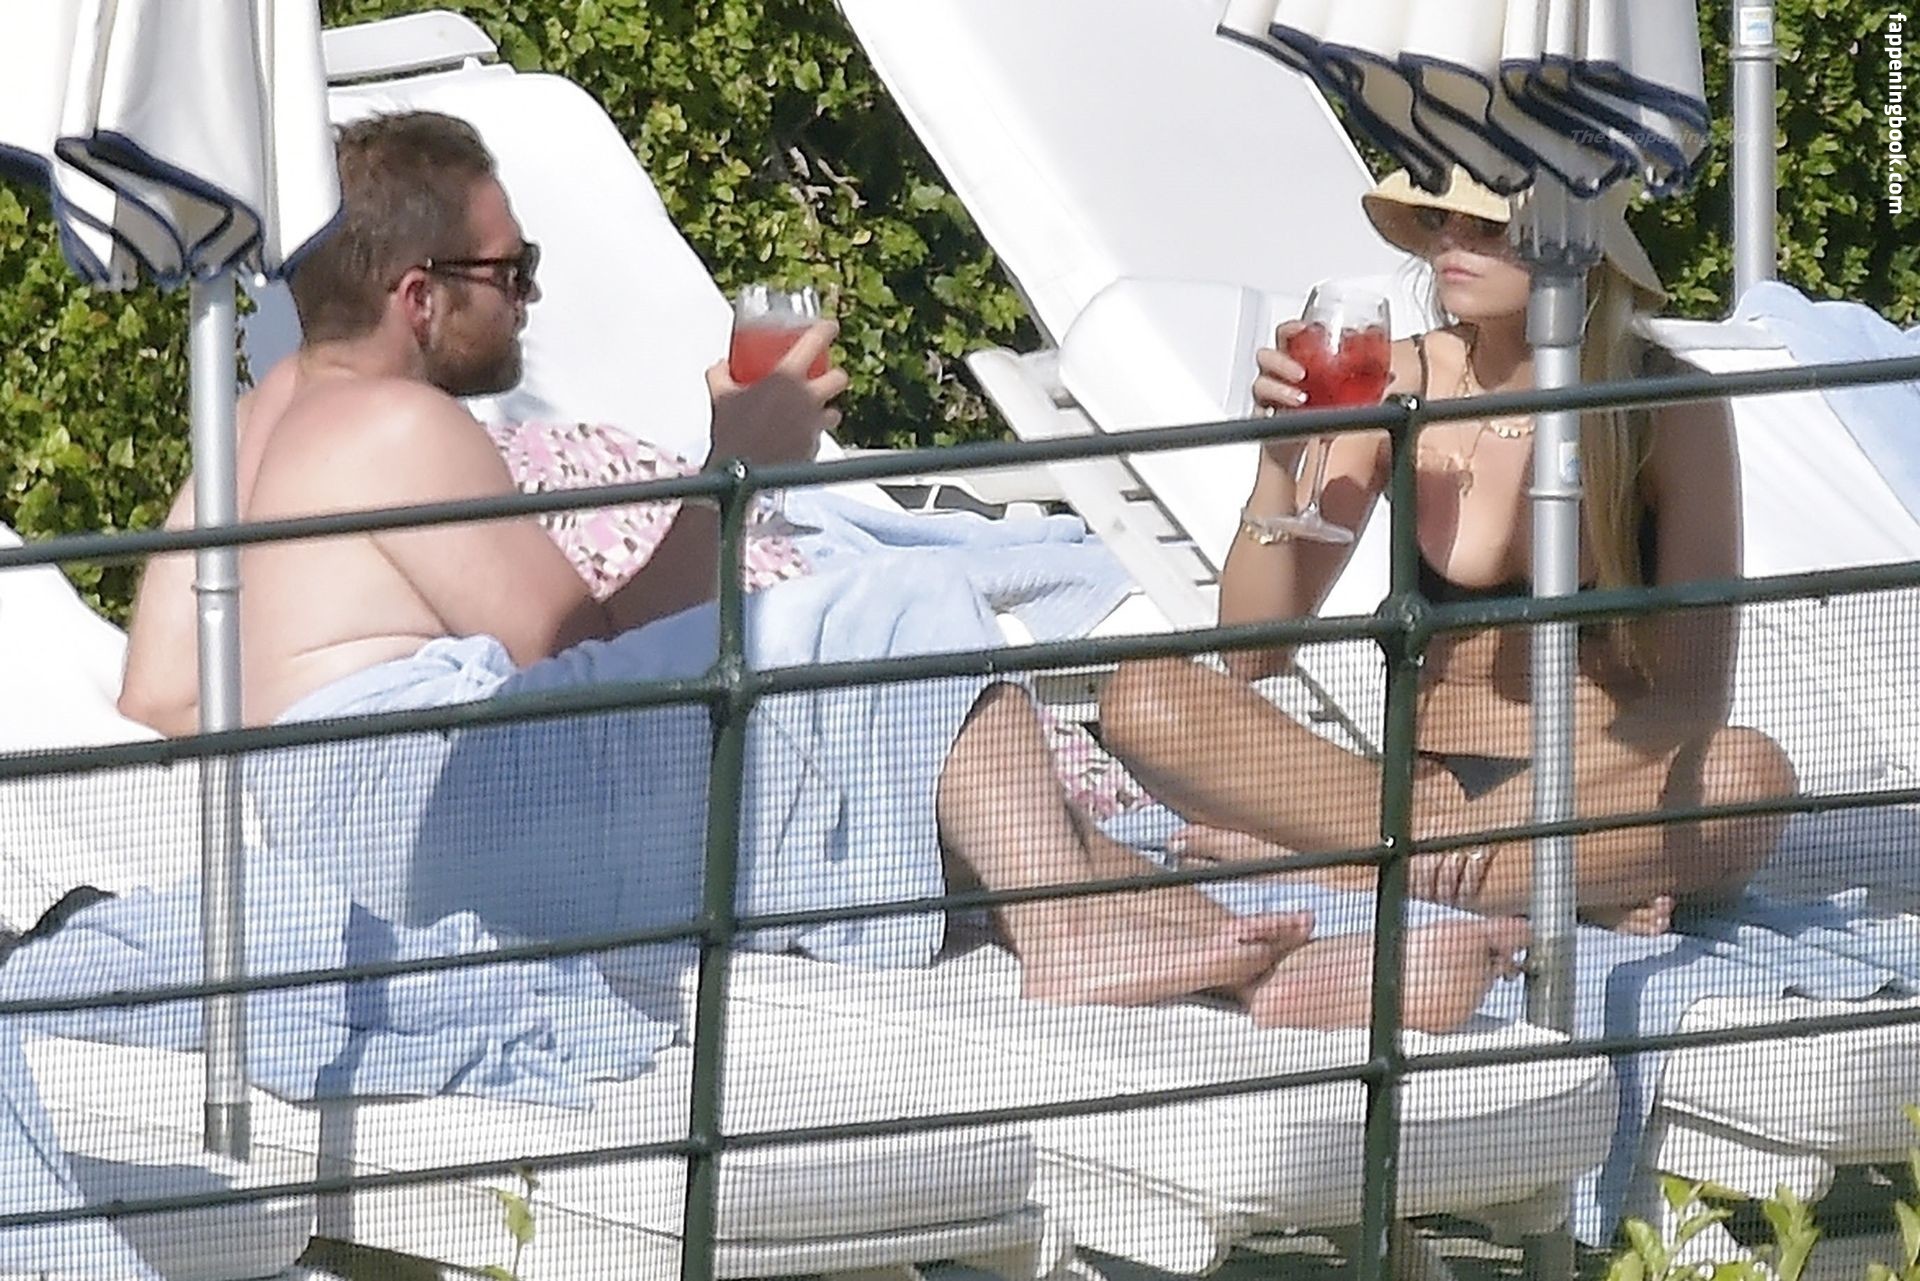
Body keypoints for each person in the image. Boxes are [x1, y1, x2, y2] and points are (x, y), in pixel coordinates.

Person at [113, 111, 1528, 1031]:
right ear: (420, 295)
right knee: (895, 610)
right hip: (439, 826)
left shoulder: (254, 421)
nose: (531, 298)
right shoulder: (394, 421)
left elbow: (160, 693)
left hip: (339, 829)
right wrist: (738, 473)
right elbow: (574, 650)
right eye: (512, 270)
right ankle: (1080, 939)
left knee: (890, 739)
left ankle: (1283, 955)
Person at [1099, 167, 1799, 935]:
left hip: (1595, 792)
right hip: (1412, 793)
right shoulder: (1395, 379)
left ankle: (1353, 870)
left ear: (1576, 246)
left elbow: (1693, 699)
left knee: (1747, 777)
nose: (1452, 241)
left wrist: (1512, 816)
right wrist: (1278, 461)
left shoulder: (1665, 407)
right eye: (1439, 220)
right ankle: (1547, 885)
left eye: (1489, 226)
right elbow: (1251, 651)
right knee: (1145, 697)